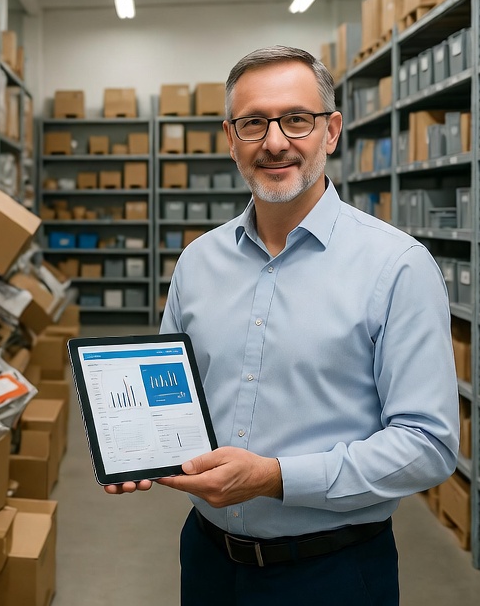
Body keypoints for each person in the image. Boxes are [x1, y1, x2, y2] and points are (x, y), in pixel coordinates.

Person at [107, 46, 457, 605]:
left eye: (296, 119)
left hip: (332, 572)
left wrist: (276, 477)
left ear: (331, 131)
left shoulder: (397, 266)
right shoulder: (198, 262)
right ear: (231, 138)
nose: (274, 143)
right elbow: (166, 394)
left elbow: (427, 445)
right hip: (207, 559)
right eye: (253, 123)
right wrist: (133, 449)